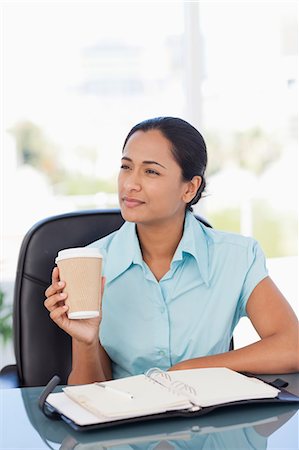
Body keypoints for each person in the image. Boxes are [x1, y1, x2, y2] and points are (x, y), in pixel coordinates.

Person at [44, 117, 299, 385]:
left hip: (209, 420)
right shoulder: (91, 264)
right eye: (126, 167)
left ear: (189, 188)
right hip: (127, 420)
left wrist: (194, 368)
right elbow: (88, 396)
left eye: (150, 171)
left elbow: (292, 346)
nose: (130, 183)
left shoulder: (237, 257)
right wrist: (86, 341)